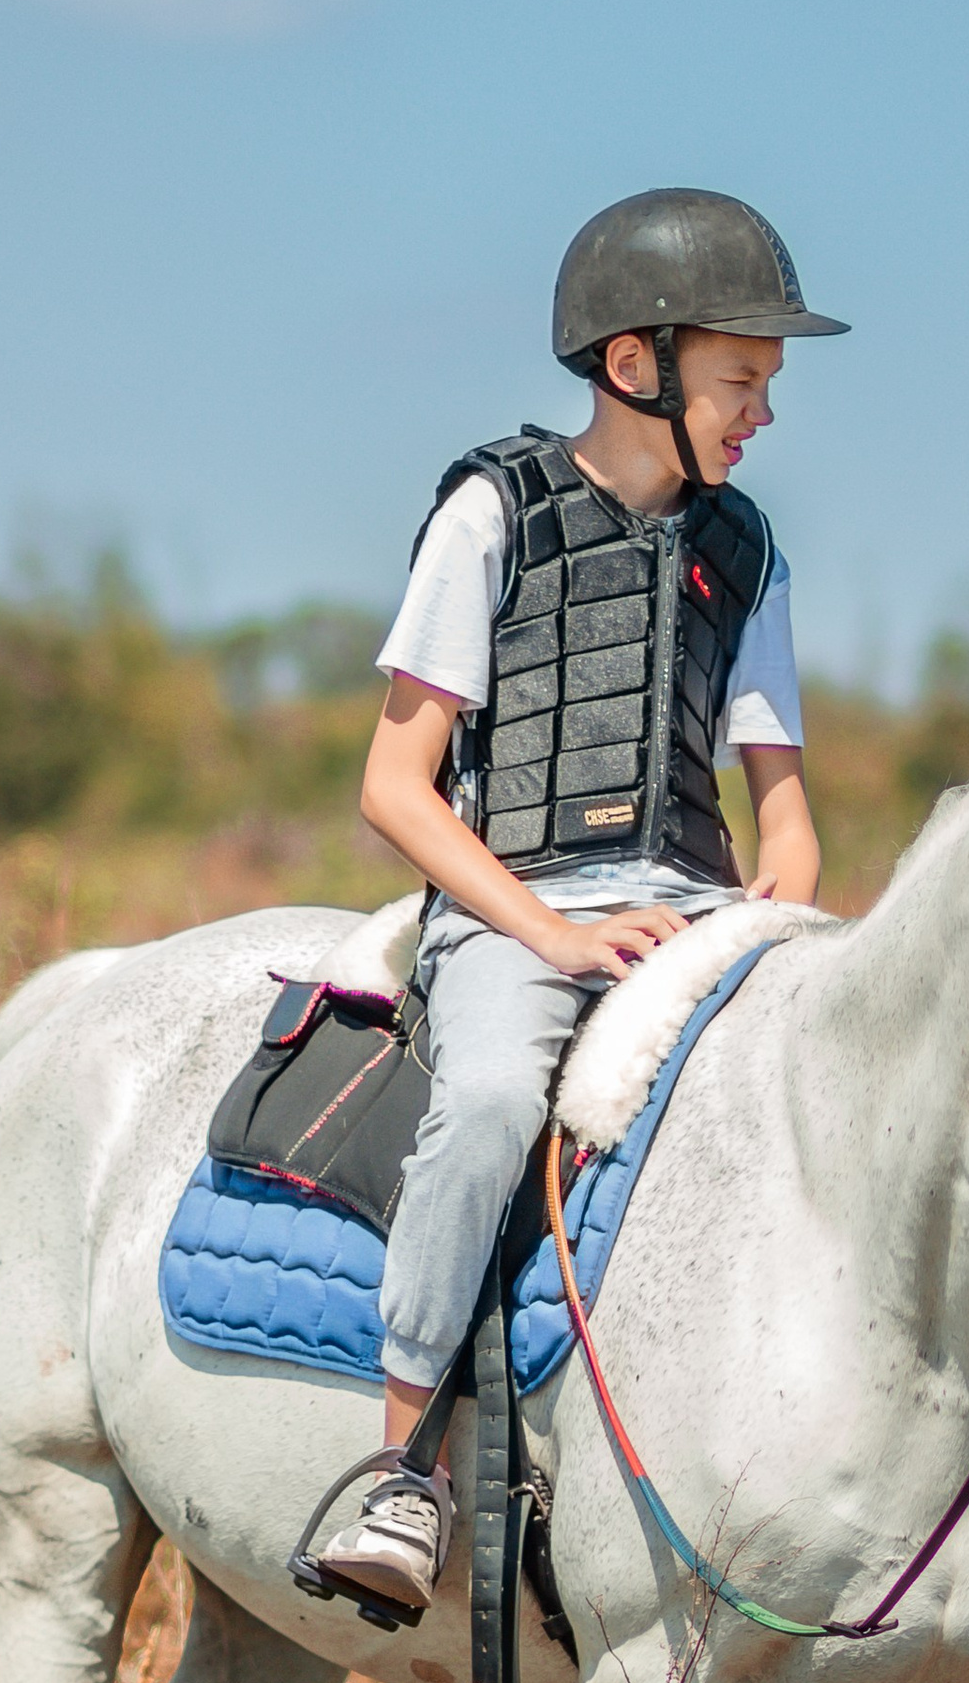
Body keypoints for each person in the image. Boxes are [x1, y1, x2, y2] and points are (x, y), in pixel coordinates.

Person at [313, 188, 841, 1610]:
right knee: (489, 1104)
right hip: (516, 912)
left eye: (769, 386)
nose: (762, 416)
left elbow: (781, 811)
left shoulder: (751, 552)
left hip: (698, 913)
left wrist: (772, 922)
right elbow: (397, 786)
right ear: (635, 365)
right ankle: (401, 1471)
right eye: (743, 381)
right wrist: (551, 937)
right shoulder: (494, 510)